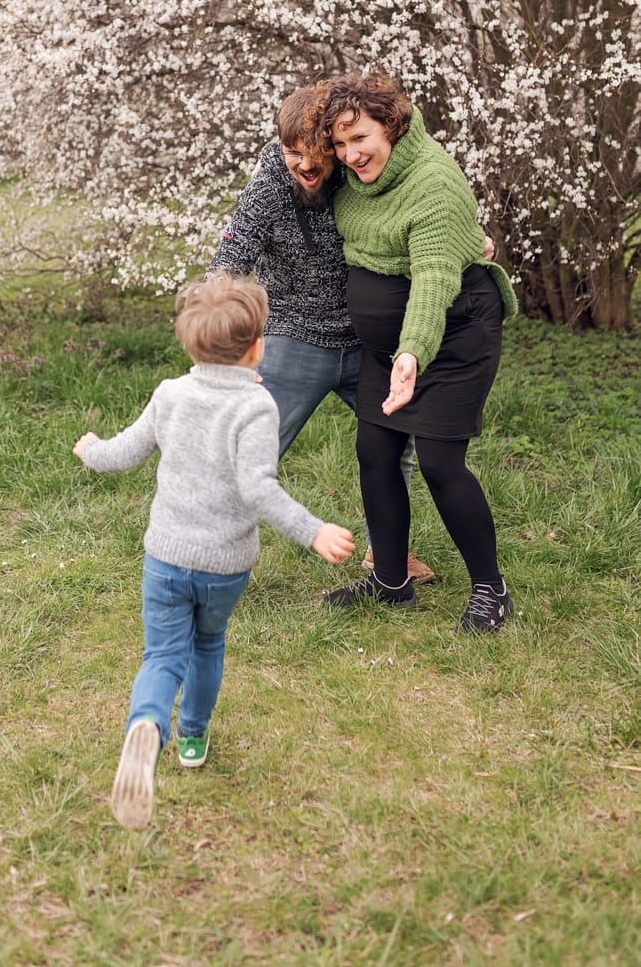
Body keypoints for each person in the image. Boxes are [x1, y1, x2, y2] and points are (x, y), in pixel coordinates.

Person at [72, 275, 354, 830]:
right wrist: (313, 530)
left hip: (166, 556)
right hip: (223, 565)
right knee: (207, 644)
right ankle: (192, 737)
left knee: (161, 656)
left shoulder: (170, 394)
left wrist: (90, 450)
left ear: (191, 345)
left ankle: (146, 724)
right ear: (257, 348)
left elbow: (123, 453)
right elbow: (258, 488)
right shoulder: (256, 405)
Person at [311, 73, 518, 633]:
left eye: (360, 137)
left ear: (392, 125)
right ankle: (390, 581)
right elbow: (291, 157)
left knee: (439, 462)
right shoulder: (350, 178)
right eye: (340, 143)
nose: (350, 154)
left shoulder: (432, 182)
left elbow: (432, 280)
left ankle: (491, 590)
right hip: (388, 350)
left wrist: (412, 353)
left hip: (451, 335)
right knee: (375, 452)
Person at [208, 85, 436, 583]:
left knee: (395, 446)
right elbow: (230, 259)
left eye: (317, 153)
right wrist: (219, 339)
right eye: (294, 153)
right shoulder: (269, 185)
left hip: (365, 341)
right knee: (251, 448)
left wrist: (470, 239)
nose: (307, 165)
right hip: (293, 340)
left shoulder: (358, 172)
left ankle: (387, 554)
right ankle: (205, 552)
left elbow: (422, 212)